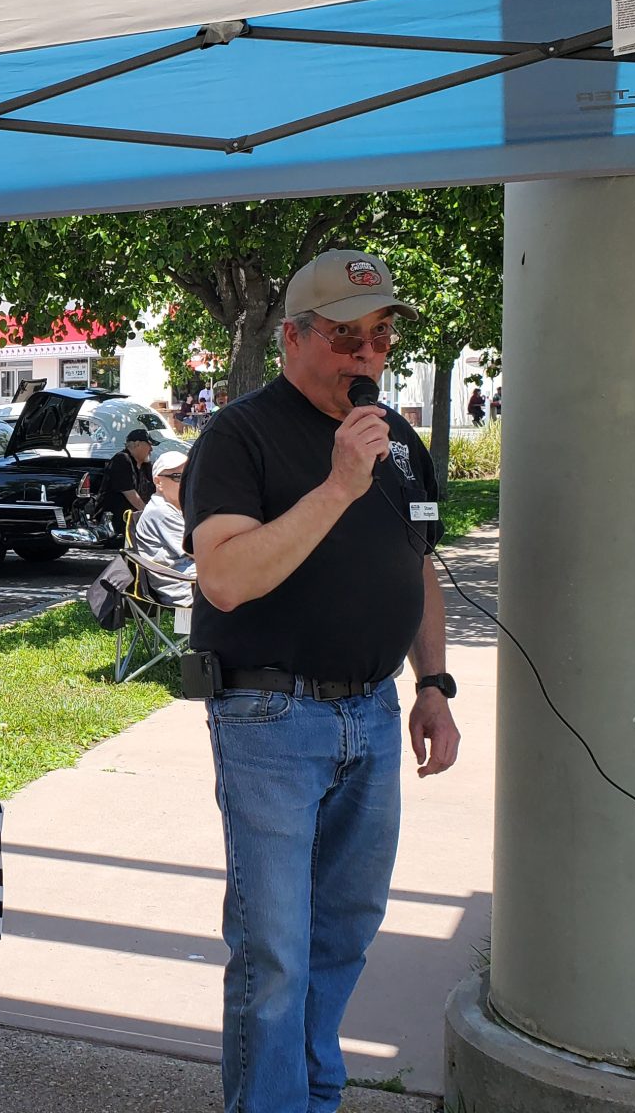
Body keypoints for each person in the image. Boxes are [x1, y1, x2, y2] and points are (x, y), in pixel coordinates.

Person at [184, 248, 461, 1113]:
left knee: (343, 933)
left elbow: (418, 568)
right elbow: (225, 578)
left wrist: (435, 685)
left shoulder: (399, 441)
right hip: (271, 716)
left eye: (379, 338)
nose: (367, 358)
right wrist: (340, 485)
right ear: (293, 338)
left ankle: (312, 1095)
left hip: (374, 717)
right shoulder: (239, 436)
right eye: (346, 338)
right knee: (274, 950)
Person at [129, 449, 194, 606]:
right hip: (186, 588)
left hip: (197, 581)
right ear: (158, 482)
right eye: (178, 477)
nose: (187, 482)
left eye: (189, 475)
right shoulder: (162, 511)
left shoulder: (178, 507)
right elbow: (199, 551)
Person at [98, 428, 156, 536]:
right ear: (137, 444)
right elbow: (131, 495)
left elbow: (155, 490)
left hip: (135, 520)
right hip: (118, 523)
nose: (151, 449)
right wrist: (150, 517)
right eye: (149, 445)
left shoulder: (145, 465)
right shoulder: (122, 460)